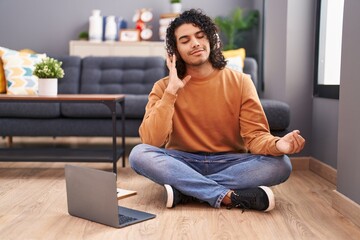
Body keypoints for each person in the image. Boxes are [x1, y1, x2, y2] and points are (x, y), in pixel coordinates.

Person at [129, 9, 305, 212]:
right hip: (183, 160)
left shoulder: (241, 82)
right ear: (175, 51)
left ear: (211, 40)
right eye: (185, 40)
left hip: (230, 162)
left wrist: (279, 145)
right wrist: (171, 93)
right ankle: (227, 196)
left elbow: (255, 136)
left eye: (200, 36)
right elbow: (151, 141)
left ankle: (187, 190)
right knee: (139, 154)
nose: (195, 43)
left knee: (281, 164)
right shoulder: (163, 87)